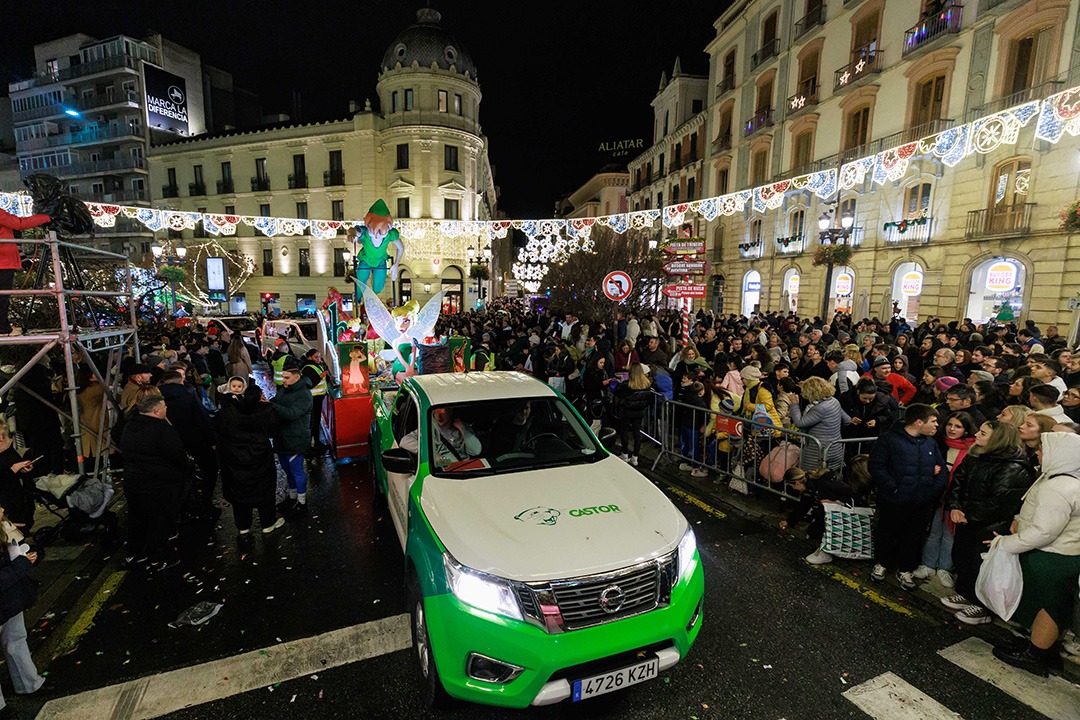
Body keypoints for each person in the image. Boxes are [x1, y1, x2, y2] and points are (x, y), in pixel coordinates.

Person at [991, 433, 1080, 677]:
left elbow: (1044, 531)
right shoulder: (1065, 480)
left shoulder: (1059, 487)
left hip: (1053, 557)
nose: (1038, 452)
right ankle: (1041, 648)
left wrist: (1007, 544)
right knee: (1051, 605)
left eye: (1044, 449)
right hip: (1062, 556)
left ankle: (1035, 656)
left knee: (1048, 607)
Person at [941, 420, 1034, 625]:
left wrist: (969, 515)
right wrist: (955, 506)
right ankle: (965, 593)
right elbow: (958, 480)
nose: (976, 435)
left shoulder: (1013, 467)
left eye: (982, 433)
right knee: (963, 557)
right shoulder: (977, 455)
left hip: (989, 526)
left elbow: (1000, 501)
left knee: (981, 565)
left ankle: (983, 607)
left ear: (997, 439)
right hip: (967, 519)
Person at [867, 404, 949, 589]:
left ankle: (905, 569)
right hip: (894, 501)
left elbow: (941, 468)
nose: (937, 426)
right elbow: (876, 466)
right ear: (919, 422)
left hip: (921, 503)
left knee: (913, 537)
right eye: (934, 421)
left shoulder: (930, 443)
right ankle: (882, 564)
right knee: (887, 533)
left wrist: (932, 490)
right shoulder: (889, 440)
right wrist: (893, 488)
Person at [120, 395, 190, 571]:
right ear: (157, 410)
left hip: (133, 482)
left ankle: (133, 554)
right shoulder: (161, 429)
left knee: (137, 519)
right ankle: (156, 559)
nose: (167, 409)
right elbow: (177, 455)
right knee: (158, 522)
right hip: (158, 484)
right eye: (164, 406)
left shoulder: (129, 425)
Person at [913, 411, 978, 587]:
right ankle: (928, 564)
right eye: (950, 425)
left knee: (950, 534)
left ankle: (944, 568)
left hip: (957, 500)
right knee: (933, 531)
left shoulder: (973, 450)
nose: (952, 429)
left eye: (958, 426)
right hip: (937, 495)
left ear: (966, 430)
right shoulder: (938, 444)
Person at [0, 504, 49, 712]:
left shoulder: (4, 527)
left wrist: (28, 556)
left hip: (10, 598)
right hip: (8, 594)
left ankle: (29, 683)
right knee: (15, 640)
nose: (2, 509)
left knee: (17, 639)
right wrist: (21, 566)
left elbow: (15, 552)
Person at [216, 385, 283, 535]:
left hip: (235, 459)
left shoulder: (227, 413)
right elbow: (274, 431)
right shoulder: (267, 411)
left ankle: (243, 526)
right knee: (265, 489)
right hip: (261, 457)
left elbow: (220, 431)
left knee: (239, 491)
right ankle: (268, 523)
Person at [158, 370, 219, 521]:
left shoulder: (156, 395)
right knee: (210, 469)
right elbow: (202, 418)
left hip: (170, 442)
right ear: (180, 381)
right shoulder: (188, 394)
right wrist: (212, 440)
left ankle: (183, 507)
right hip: (195, 439)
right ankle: (205, 503)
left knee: (180, 474)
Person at [0, 208, 50, 335]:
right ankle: (2, 328)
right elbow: (19, 223)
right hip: (3, 262)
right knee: (3, 296)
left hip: (4, 260)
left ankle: (4, 326)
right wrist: (45, 218)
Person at [271, 362, 313, 514]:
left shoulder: (305, 395)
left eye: (287, 378)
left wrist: (273, 406)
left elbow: (292, 414)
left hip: (296, 438)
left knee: (296, 470)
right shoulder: (285, 389)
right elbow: (276, 401)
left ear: (297, 377)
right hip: (282, 437)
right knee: (287, 470)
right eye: (283, 377)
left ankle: (302, 502)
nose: (284, 380)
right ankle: (292, 497)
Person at [786, 376, 849, 471]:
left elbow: (800, 422)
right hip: (835, 449)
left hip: (818, 452)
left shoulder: (820, 408)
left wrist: (794, 404)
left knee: (813, 479)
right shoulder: (834, 401)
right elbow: (847, 420)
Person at [400, 405, 481, 468]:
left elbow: (476, 451)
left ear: (450, 411)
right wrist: (433, 455)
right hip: (442, 472)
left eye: (442, 412)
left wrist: (463, 430)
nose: (439, 416)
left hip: (464, 469)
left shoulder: (462, 428)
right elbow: (404, 441)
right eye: (436, 412)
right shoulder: (427, 428)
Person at [301, 349, 330, 455]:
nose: (318, 359)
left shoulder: (317, 365)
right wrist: (320, 376)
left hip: (318, 398)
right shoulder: (307, 368)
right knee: (313, 422)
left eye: (319, 356)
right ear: (309, 357)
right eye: (316, 357)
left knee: (316, 421)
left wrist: (328, 378)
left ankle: (316, 443)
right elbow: (310, 383)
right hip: (313, 399)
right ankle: (312, 446)